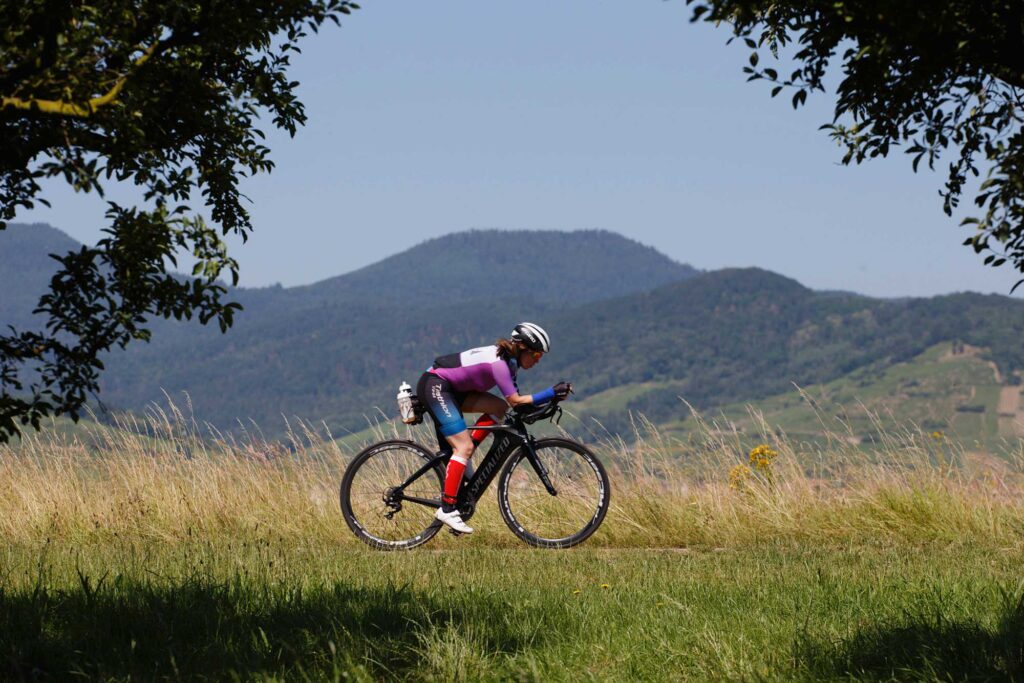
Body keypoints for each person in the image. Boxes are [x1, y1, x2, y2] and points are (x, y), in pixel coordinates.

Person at [416, 322, 572, 534]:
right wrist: (550, 393)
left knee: (498, 407)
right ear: (523, 348)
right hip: (436, 386)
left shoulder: (510, 364)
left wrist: (549, 401)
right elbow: (517, 401)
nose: (538, 361)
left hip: (453, 390)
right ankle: (447, 509)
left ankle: (465, 456)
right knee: (463, 448)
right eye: (536, 355)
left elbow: (515, 405)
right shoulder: (499, 364)